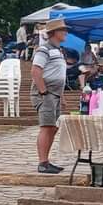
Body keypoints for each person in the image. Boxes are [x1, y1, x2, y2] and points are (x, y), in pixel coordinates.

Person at [31, 18, 71, 174]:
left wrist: (62, 96)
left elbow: (58, 75)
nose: (66, 33)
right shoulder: (44, 50)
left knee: (53, 127)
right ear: (54, 33)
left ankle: (46, 160)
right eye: (63, 30)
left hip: (54, 93)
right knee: (47, 127)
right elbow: (36, 70)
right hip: (47, 93)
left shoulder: (58, 51)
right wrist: (43, 91)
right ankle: (43, 162)